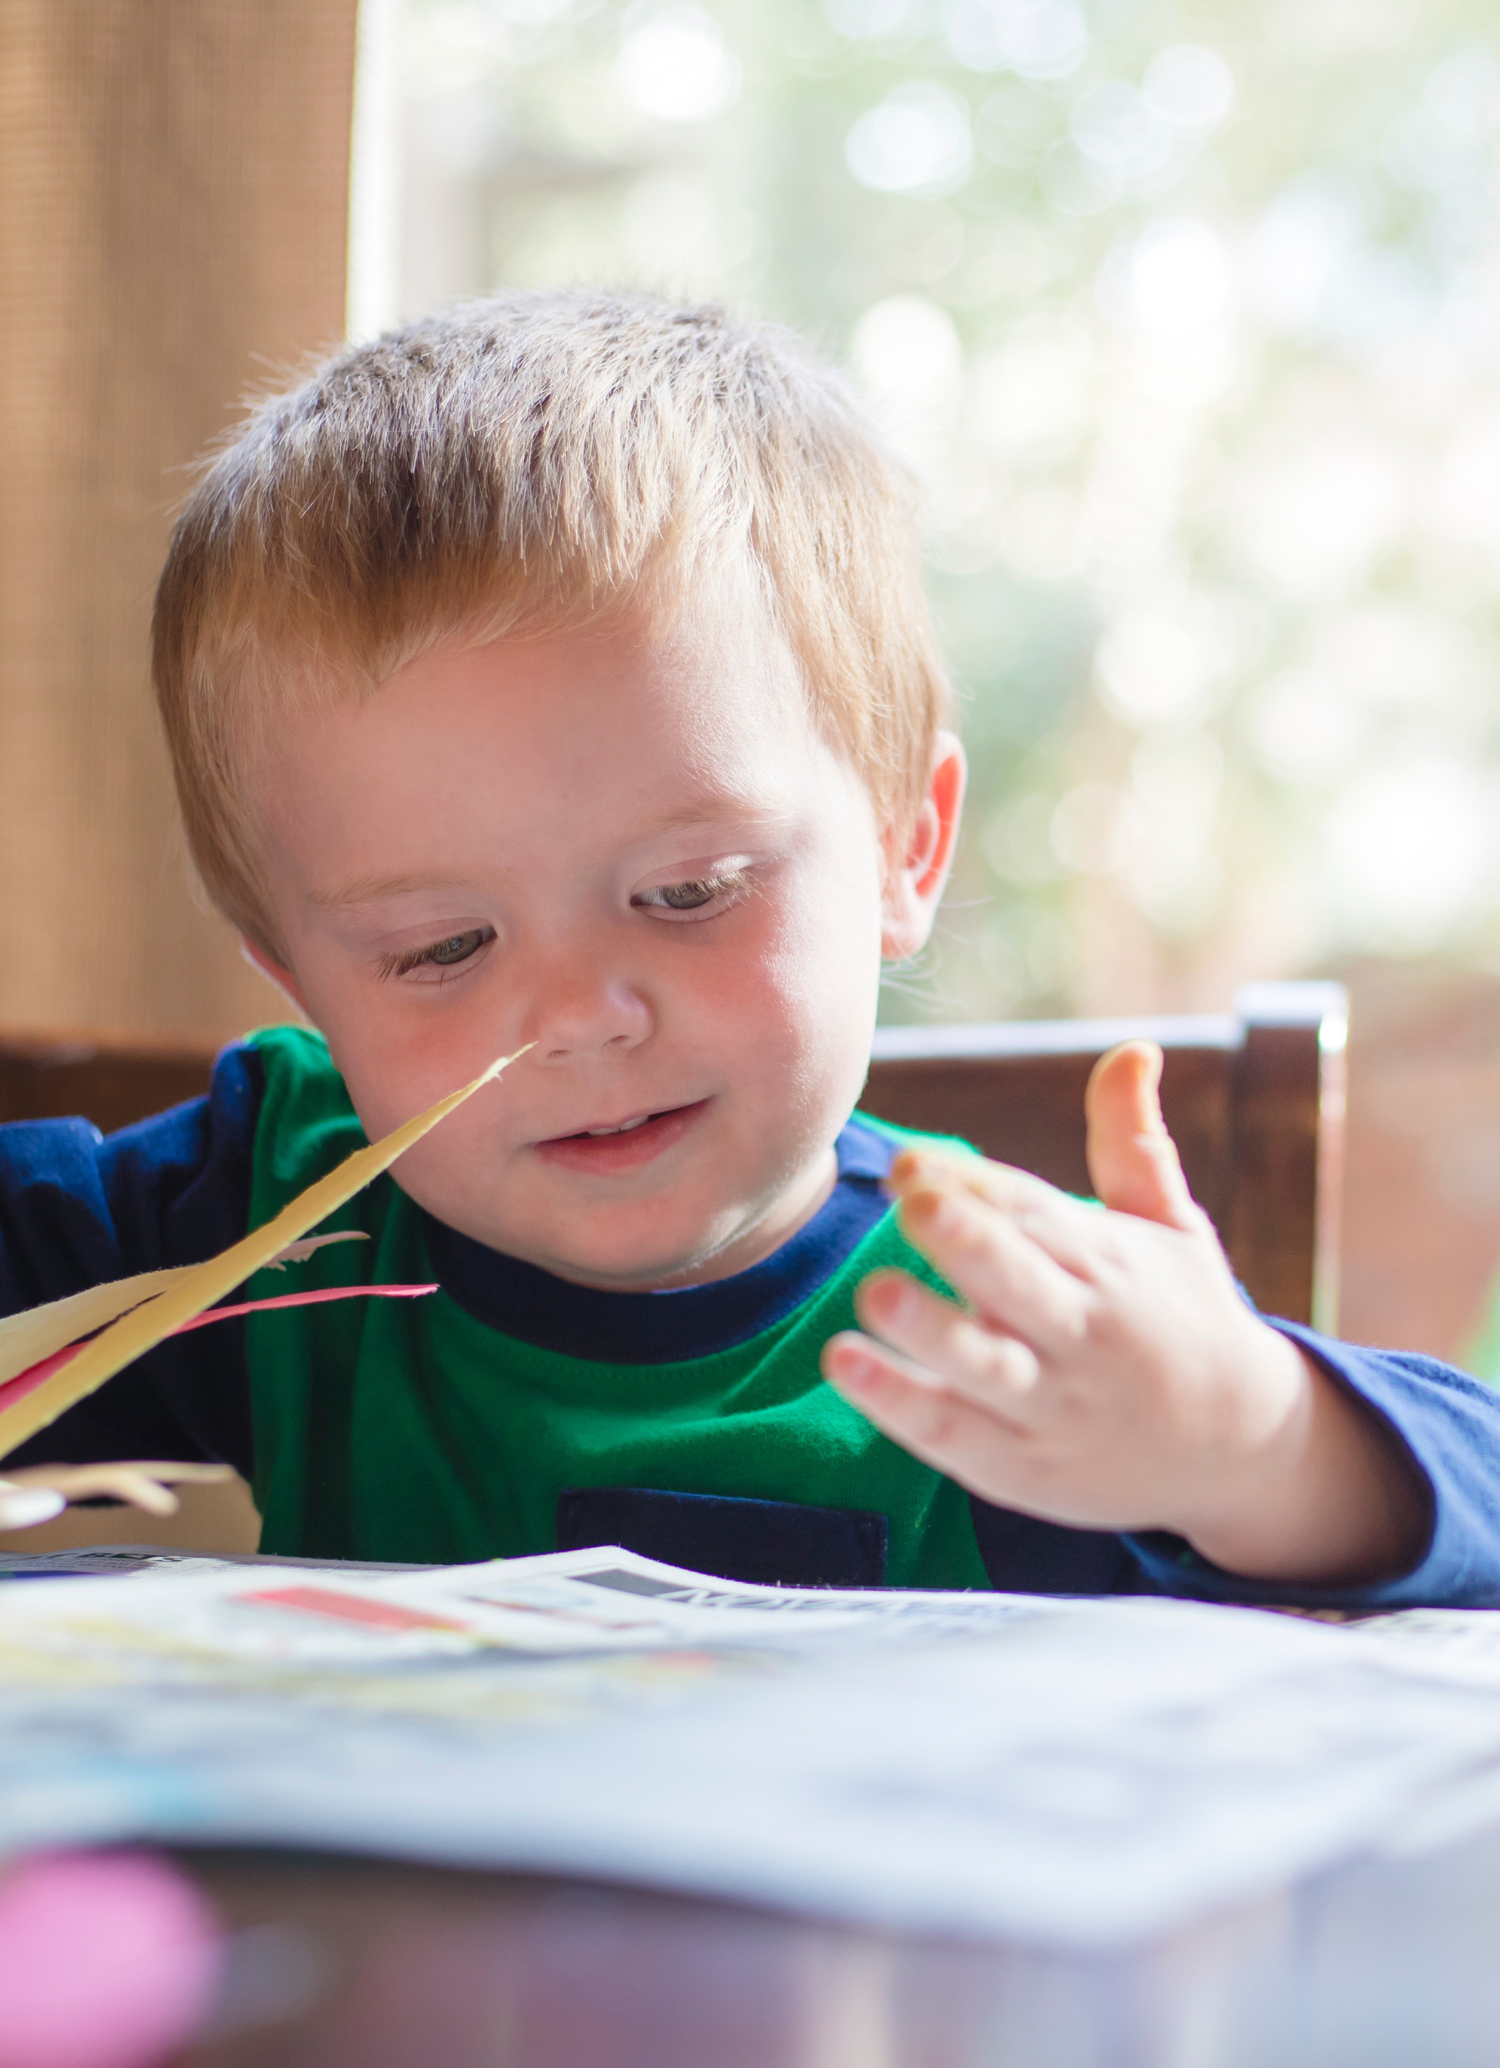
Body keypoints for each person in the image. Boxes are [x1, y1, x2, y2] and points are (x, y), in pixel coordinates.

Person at [0, 290, 1496, 1603]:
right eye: (441, 946)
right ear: (295, 975)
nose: (583, 1014)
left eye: (691, 890)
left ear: (908, 846)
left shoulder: (1013, 1331)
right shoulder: (279, 1219)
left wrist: (1257, 1444)